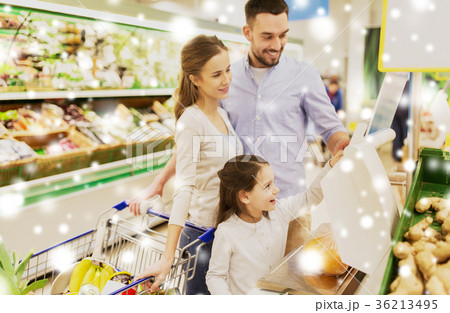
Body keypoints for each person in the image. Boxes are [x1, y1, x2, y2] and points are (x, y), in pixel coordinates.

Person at [129, 0, 349, 273]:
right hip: (238, 215)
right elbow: (200, 140)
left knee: (289, 285)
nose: (277, 44)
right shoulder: (224, 80)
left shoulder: (304, 76)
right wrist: (160, 182)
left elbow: (331, 129)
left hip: (287, 209)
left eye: (283, 35)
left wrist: (344, 145)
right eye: (267, 36)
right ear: (248, 32)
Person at [134, 35, 243, 295]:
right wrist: (167, 256)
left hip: (225, 231)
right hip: (202, 237)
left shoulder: (222, 114)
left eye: (228, 69)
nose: (226, 79)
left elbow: (197, 158)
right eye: (216, 74)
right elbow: (184, 188)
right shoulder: (191, 120)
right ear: (195, 78)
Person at [206, 152, 343, 294]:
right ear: (245, 196)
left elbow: (309, 198)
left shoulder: (279, 212)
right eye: (267, 186)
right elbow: (215, 276)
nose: (276, 189)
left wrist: (330, 166)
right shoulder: (227, 232)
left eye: (274, 182)